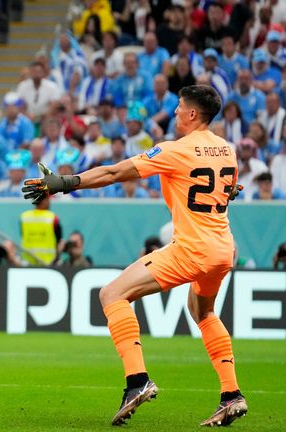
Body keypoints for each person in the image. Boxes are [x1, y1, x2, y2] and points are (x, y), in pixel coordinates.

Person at [22, 85, 247, 426]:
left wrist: (65, 182)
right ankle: (232, 395)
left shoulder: (176, 150)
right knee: (202, 311)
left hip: (192, 248)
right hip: (223, 249)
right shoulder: (226, 150)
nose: (173, 112)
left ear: (192, 114)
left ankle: (137, 382)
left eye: (179, 107)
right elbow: (228, 189)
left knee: (112, 294)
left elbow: (114, 173)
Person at [19, 195, 61, 266]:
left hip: (28, 262)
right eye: (47, 199)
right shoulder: (53, 218)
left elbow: (22, 234)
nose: (49, 202)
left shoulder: (24, 217)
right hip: (48, 262)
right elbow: (59, 241)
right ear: (42, 201)